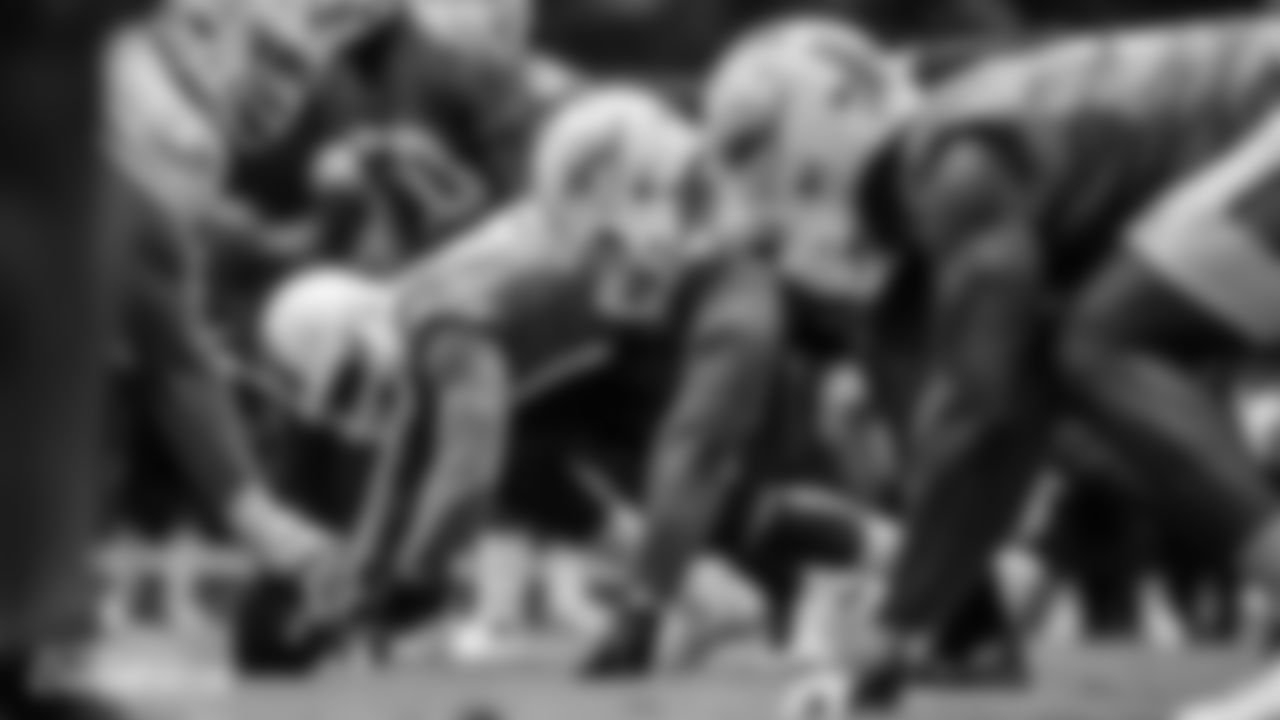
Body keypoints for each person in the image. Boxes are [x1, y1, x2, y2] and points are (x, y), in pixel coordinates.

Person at [697, 13, 1280, 720]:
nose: (759, 197)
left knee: (1100, 344)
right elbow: (1005, 431)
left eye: (754, 151)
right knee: (1100, 344)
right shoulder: (973, 162)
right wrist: (895, 639)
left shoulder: (953, 167)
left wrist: (892, 628)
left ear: (830, 113)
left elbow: (982, 411)